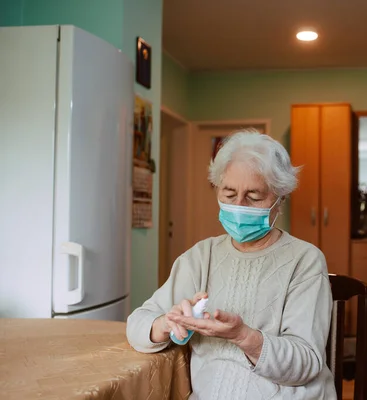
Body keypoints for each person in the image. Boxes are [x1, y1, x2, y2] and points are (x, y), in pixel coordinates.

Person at [126, 130, 336, 399]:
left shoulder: (305, 260)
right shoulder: (201, 256)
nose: (239, 205)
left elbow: (305, 364)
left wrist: (243, 336)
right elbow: (137, 324)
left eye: (254, 196)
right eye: (229, 194)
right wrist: (167, 323)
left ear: (280, 198)